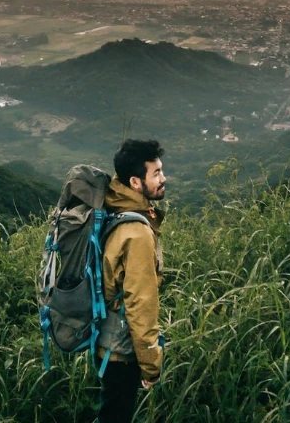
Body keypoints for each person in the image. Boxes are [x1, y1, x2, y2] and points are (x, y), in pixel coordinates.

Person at [96, 139, 166, 423]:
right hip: (122, 352)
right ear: (135, 182)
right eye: (157, 173)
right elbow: (140, 304)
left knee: (109, 410)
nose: (164, 178)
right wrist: (152, 366)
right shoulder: (136, 234)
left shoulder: (114, 205)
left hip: (104, 340)